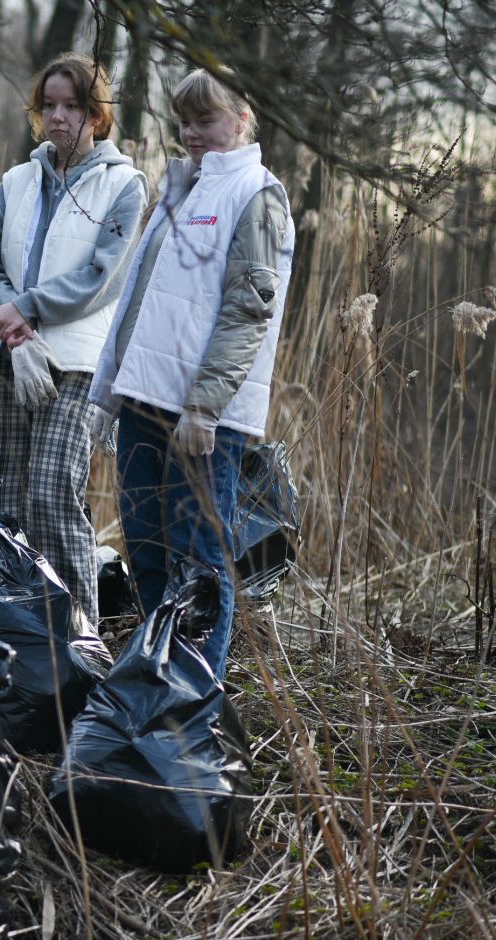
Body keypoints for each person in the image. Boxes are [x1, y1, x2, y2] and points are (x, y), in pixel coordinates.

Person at [88, 68, 295, 677]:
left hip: (205, 418)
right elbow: (137, 303)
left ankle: (196, 694)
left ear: (242, 117)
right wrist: (108, 392)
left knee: (200, 560)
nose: (192, 133)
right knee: (147, 549)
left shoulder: (256, 193)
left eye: (205, 120)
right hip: (143, 404)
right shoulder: (178, 189)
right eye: (183, 122)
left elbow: (247, 309)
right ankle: (157, 679)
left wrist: (204, 407)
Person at [0, 53, 149, 626]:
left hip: (75, 363)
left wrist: (29, 308)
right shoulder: (15, 181)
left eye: (73, 106)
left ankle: (80, 635)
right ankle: (18, 629)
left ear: (97, 116)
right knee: (7, 499)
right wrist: (8, 319)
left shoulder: (125, 186)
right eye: (49, 106)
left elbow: (103, 276)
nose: (59, 117)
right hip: (7, 355)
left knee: (50, 492)